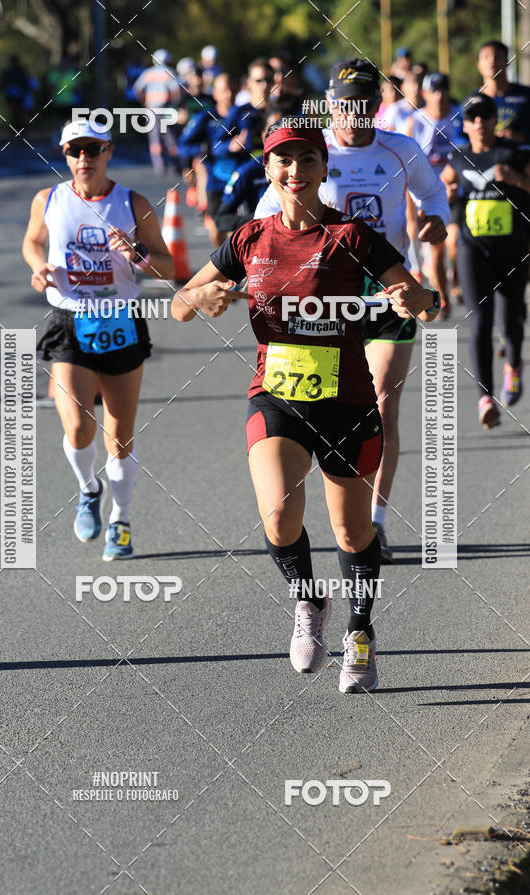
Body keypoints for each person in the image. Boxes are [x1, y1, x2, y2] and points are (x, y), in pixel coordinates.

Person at [172, 122, 440, 691]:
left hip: (348, 401)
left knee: (351, 533)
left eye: (305, 160)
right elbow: (178, 305)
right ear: (269, 170)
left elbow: (423, 301)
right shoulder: (248, 239)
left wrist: (417, 297)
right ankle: (308, 601)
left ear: (323, 168)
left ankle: (360, 632)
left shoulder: (353, 236)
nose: (294, 171)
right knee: (277, 515)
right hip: (275, 397)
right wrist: (201, 296)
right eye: (282, 161)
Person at [254, 59, 449, 562]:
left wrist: (435, 221)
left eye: (363, 105)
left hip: (387, 290)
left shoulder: (401, 148)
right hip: (325, 293)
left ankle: (374, 521)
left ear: (375, 107)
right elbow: (264, 211)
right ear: (331, 104)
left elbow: (433, 192)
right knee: (319, 397)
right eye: (344, 105)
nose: (353, 115)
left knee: (383, 402)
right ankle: (320, 495)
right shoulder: (311, 152)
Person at [22, 118, 173, 559]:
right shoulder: (49, 199)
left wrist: (138, 253)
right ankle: (89, 489)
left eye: (92, 150)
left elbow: (167, 267)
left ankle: (120, 521)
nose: (83, 159)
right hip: (70, 321)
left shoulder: (134, 203)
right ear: (65, 155)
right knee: (77, 425)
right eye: (74, 151)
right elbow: (32, 242)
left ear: (108, 151)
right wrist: (38, 268)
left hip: (121, 320)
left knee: (119, 435)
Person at [441, 93, 530, 428]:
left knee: (510, 320)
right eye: (473, 117)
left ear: (496, 119)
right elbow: (442, 188)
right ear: (464, 124)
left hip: (513, 248)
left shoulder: (516, 154)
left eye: (486, 116)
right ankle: (485, 398)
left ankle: (513, 364)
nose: (480, 123)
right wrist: (448, 203)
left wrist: (517, 179)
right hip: (471, 248)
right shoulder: (459, 158)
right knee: (480, 318)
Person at [406, 72, 464, 317]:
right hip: (429, 195)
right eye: (433, 91)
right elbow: (407, 162)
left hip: (457, 190)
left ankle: (457, 277)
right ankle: (442, 295)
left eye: (443, 90)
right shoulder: (416, 122)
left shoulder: (459, 117)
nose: (439, 96)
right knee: (437, 252)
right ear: (425, 94)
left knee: (455, 247)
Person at [177, 72, 237, 246]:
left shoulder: (245, 115)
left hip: (241, 181)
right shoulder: (205, 118)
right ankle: (224, 265)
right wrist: (205, 149)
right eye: (224, 90)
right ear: (215, 94)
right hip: (216, 181)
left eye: (233, 89)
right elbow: (182, 146)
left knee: (241, 230)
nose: (229, 94)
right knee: (218, 231)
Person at [214, 110, 283, 234]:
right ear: (263, 136)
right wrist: (262, 219)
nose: (281, 136)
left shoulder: (309, 171)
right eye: (274, 130)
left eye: (286, 130)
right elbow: (221, 220)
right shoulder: (249, 171)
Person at [132, 49, 181, 175]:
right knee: (170, 138)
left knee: (154, 139)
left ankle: (159, 166)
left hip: (151, 110)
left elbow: (137, 89)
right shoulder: (169, 72)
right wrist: (176, 105)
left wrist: (144, 104)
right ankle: (177, 165)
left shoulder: (148, 73)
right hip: (165, 109)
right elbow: (176, 91)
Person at [477, 40, 530, 143]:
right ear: (479, 65)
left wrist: (522, 138)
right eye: (486, 57)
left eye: (497, 57)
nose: (492, 61)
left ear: (507, 62)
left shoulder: (527, 95)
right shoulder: (471, 101)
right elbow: (459, 138)